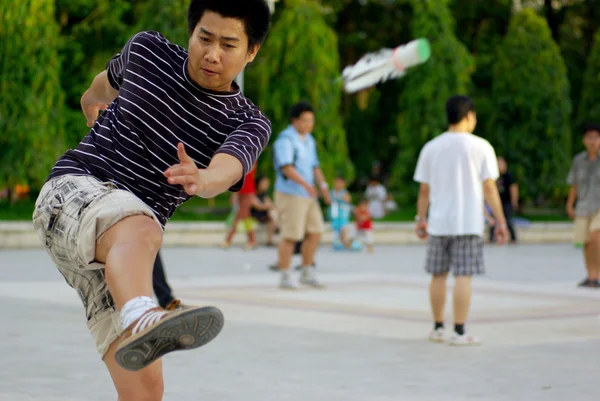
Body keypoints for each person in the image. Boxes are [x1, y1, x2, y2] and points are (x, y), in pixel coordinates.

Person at [31, 1, 271, 399]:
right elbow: (103, 84)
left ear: (251, 52)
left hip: (115, 252)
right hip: (70, 194)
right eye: (204, 38)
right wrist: (90, 99)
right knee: (142, 226)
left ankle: (138, 312)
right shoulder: (148, 51)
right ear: (191, 32)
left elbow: (228, 168)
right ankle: (142, 312)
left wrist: (204, 176)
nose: (212, 54)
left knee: (146, 386)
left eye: (228, 45)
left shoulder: (247, 121)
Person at [413, 95, 508, 346]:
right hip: (468, 223)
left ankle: (437, 327)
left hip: (438, 223)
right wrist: (501, 221)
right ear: (469, 116)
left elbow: (424, 190)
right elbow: (489, 188)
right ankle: (459, 331)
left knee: (438, 276)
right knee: (463, 276)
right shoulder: (481, 147)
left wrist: (420, 219)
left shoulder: (431, 147)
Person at [272, 101, 331, 289]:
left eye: (311, 121)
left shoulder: (309, 139)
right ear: (294, 120)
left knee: (316, 231)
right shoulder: (286, 140)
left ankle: (307, 271)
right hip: (291, 193)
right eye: (305, 121)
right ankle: (285, 275)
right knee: (291, 235)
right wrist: (306, 185)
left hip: (308, 194)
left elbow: (314, 166)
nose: (308, 125)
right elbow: (287, 168)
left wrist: (323, 186)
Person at [566, 123, 600, 288]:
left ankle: (597, 275)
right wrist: (570, 204)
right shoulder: (578, 160)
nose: (592, 141)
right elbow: (574, 184)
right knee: (585, 241)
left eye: (595, 137)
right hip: (583, 205)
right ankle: (590, 275)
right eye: (589, 137)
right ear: (584, 140)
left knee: (595, 237)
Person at [223, 162, 258, 249]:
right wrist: (234, 193)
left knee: (240, 215)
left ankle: (228, 240)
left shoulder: (251, 159)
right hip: (240, 191)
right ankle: (252, 240)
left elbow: (245, 172)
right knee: (245, 216)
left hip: (248, 192)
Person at [488, 156, 519, 243]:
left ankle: (513, 238)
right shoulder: (494, 176)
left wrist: (514, 200)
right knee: (493, 220)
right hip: (497, 202)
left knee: (508, 220)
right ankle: (491, 238)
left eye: (500, 164)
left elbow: (513, 188)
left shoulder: (508, 176)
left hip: (506, 202)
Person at [250, 174, 278, 246]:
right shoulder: (252, 192)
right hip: (253, 215)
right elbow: (258, 206)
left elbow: (270, 204)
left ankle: (270, 241)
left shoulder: (264, 193)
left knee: (271, 215)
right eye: (264, 183)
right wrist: (267, 206)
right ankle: (277, 226)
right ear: (258, 183)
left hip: (264, 214)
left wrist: (268, 206)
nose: (266, 185)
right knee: (271, 213)